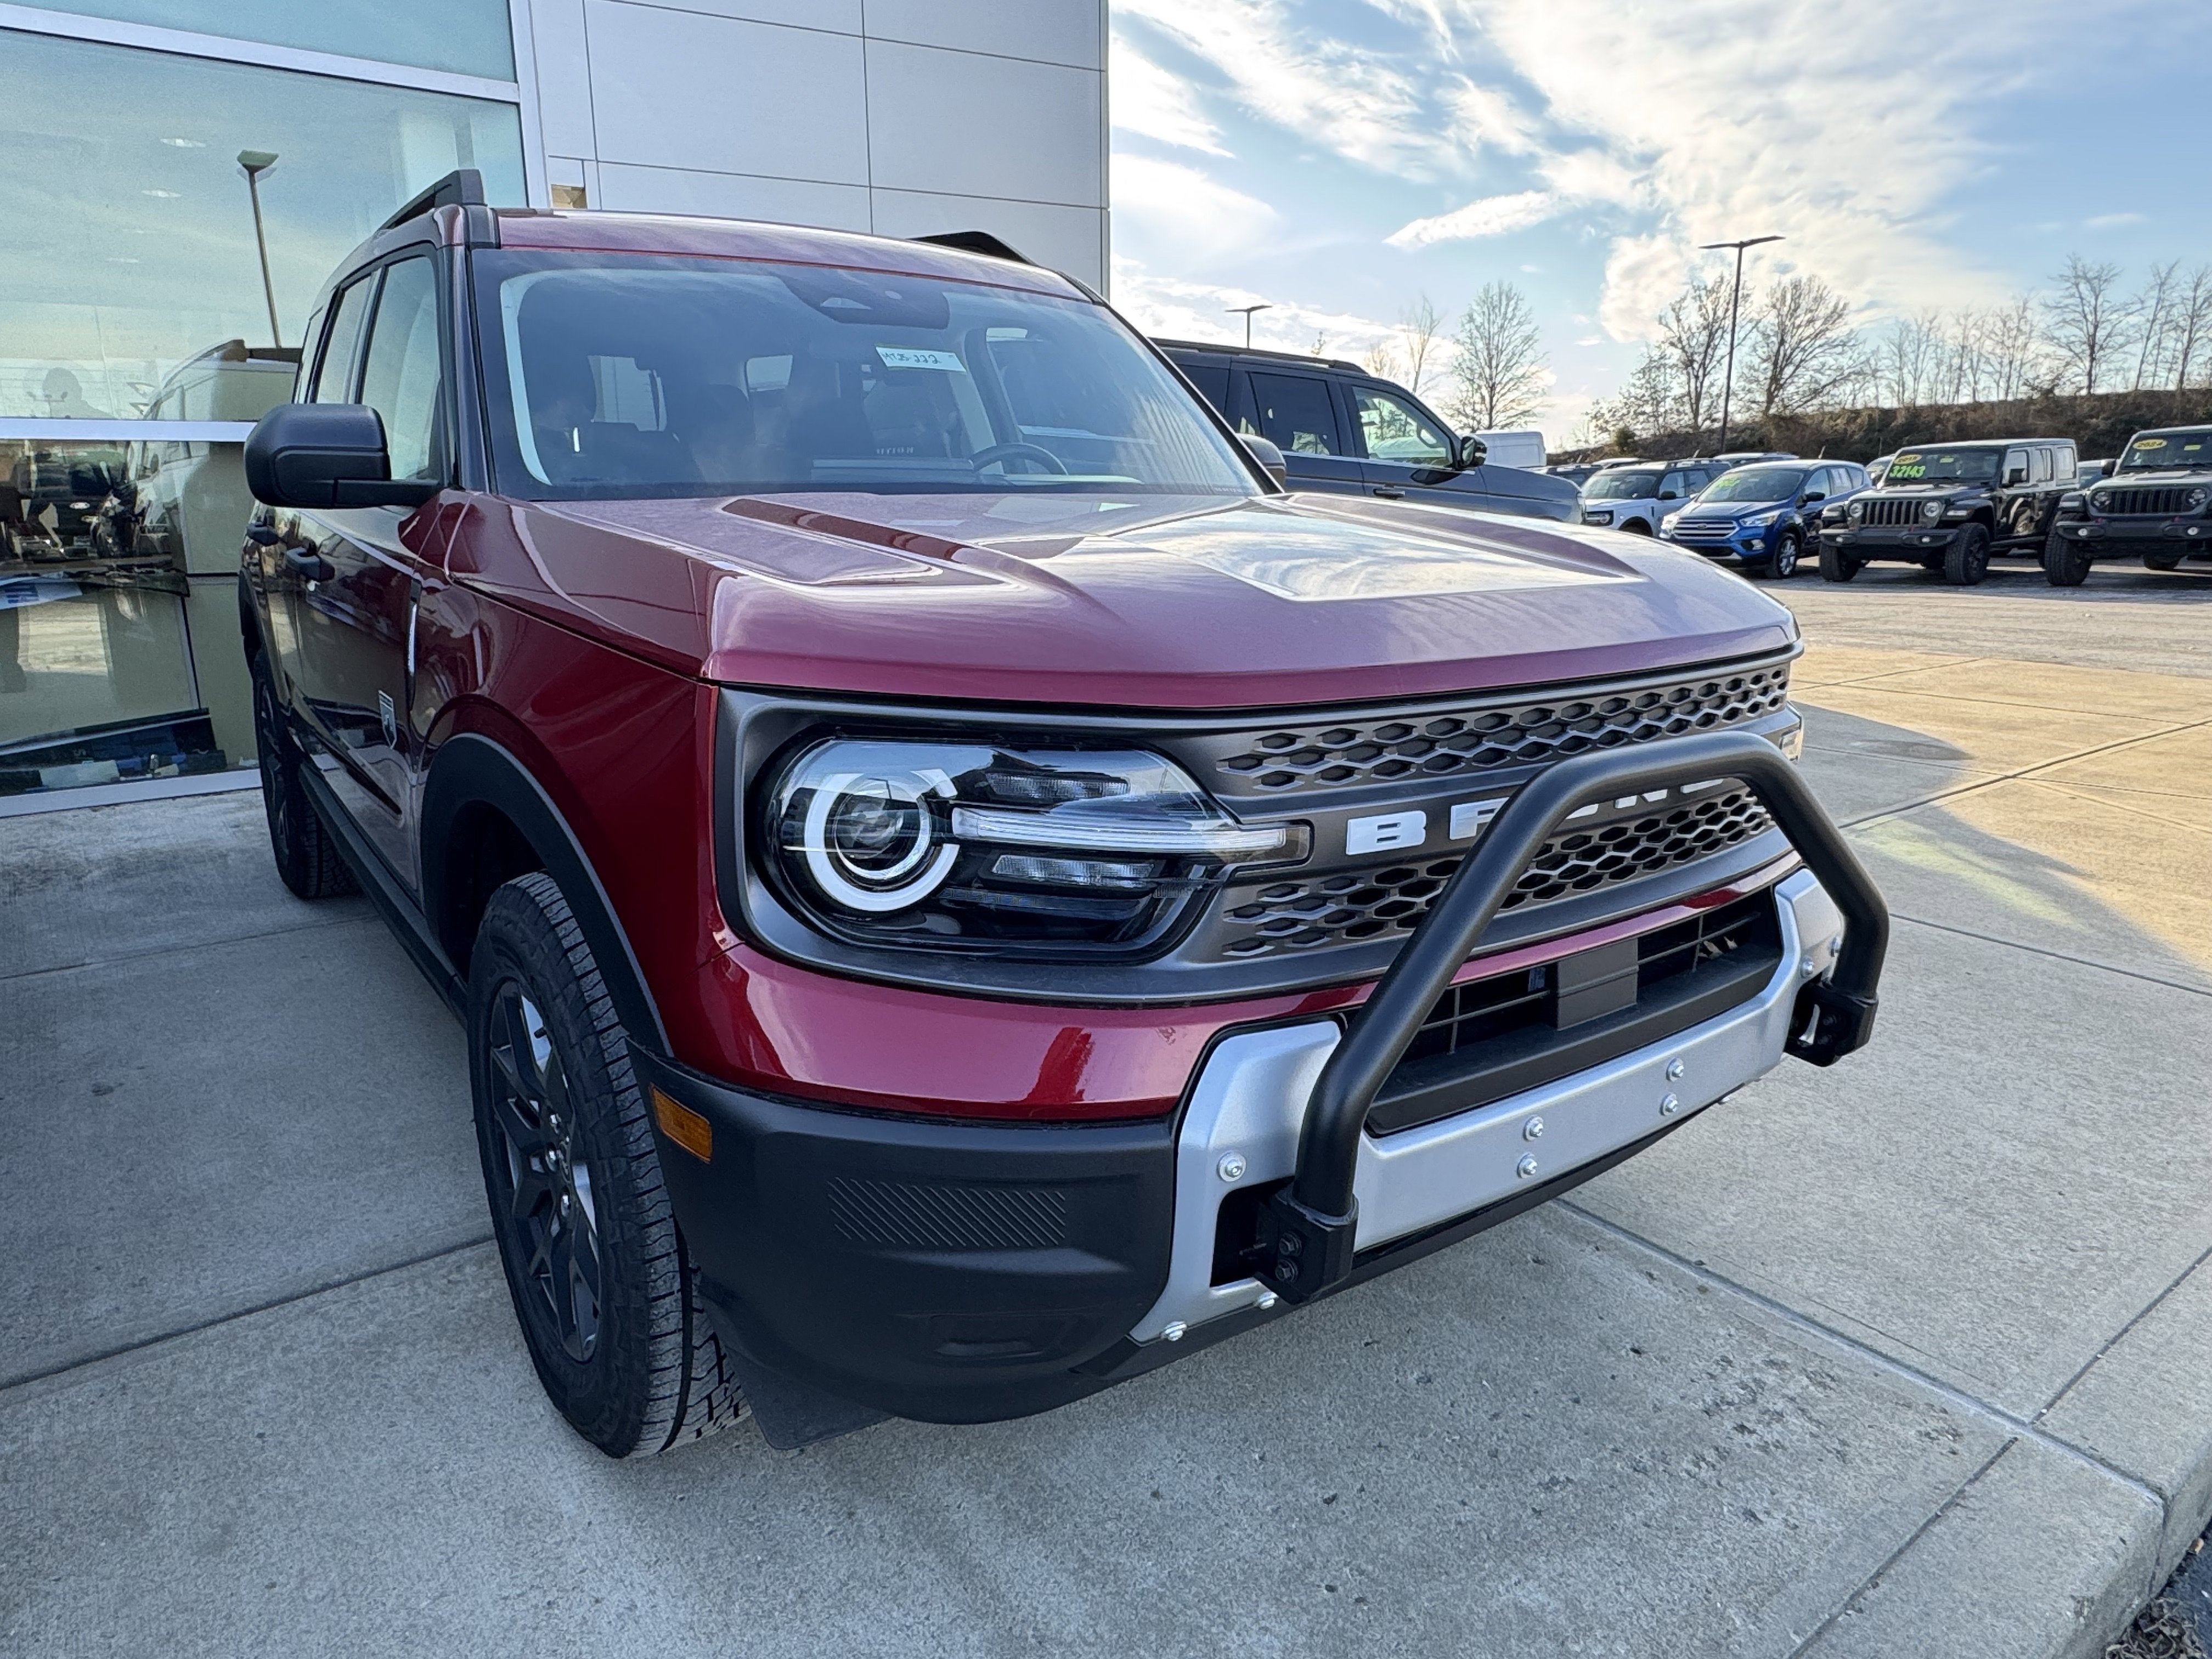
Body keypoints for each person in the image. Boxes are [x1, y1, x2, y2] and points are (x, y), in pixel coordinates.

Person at [37, 368, 110, 420]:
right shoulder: (40, 423)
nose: (51, 398)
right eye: (47, 392)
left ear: (78, 392)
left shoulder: (104, 421)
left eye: (58, 390)